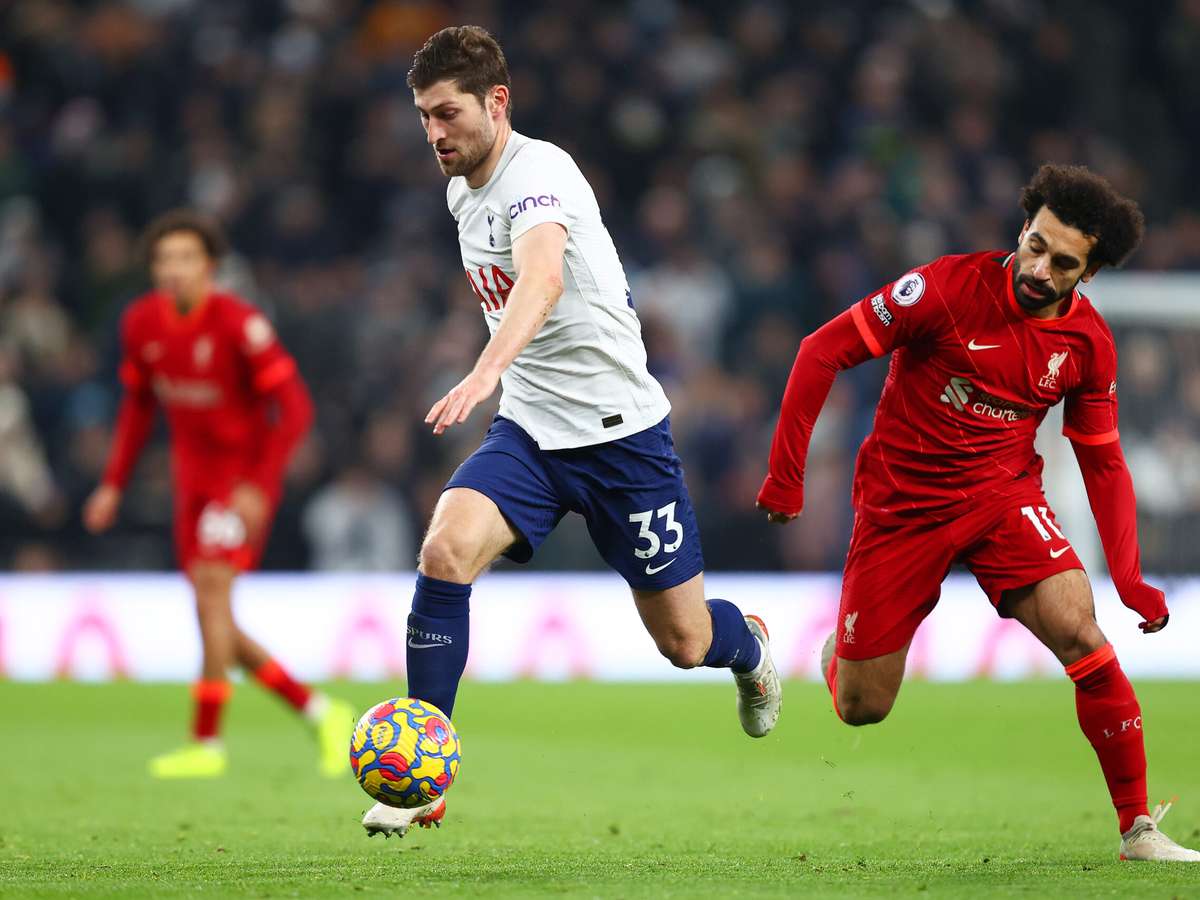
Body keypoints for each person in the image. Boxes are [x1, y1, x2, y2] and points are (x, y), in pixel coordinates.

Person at [361, 25, 782, 838]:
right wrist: (502, 384)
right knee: (446, 549)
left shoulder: (541, 173)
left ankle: (750, 646)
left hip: (623, 439)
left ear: (497, 102)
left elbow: (544, 277)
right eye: (422, 118)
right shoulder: (458, 193)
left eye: (446, 113)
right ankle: (426, 770)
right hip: (531, 431)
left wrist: (483, 369)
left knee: (686, 642)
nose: (434, 134)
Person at [757, 164, 1199, 862]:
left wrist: (1132, 576)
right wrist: (786, 478)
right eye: (1035, 244)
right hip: (902, 506)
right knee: (861, 707)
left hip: (1002, 498)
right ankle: (840, 656)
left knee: (1081, 631)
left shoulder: (1087, 344)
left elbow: (1104, 464)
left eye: (1062, 263)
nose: (1039, 268)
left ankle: (1138, 828)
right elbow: (821, 352)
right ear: (1023, 227)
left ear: (1086, 274)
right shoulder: (943, 289)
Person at [83, 210, 353, 779]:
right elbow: (137, 410)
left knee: (210, 597)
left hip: (238, 485)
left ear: (209, 266)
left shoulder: (239, 324)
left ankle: (206, 743)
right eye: (163, 260)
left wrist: (259, 485)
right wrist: (112, 484)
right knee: (217, 620)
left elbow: (296, 408)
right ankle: (322, 712)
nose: (173, 270)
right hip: (191, 486)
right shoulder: (140, 324)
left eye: (185, 258)